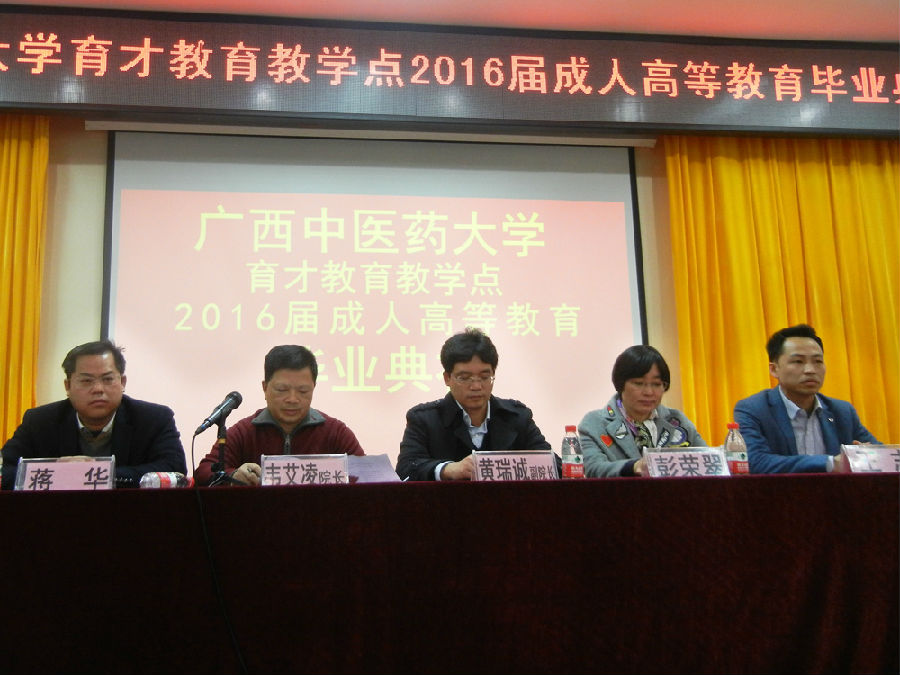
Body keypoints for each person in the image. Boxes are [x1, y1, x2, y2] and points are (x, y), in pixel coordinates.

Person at [1, 339, 187, 489]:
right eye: (86, 381)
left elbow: (175, 470)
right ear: (68, 386)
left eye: (107, 379)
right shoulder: (40, 421)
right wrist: (58, 471)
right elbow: (4, 471)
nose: (98, 389)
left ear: (122, 382)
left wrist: (93, 474)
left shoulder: (154, 419)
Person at [193, 345, 365, 486]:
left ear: (314, 388)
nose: (292, 399)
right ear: (265, 388)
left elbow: (366, 474)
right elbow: (203, 472)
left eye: (303, 391)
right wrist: (233, 475)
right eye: (282, 390)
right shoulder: (244, 432)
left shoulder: (335, 432)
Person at [396, 327, 552, 481]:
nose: (476, 386)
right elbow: (405, 470)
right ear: (447, 378)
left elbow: (553, 465)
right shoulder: (425, 420)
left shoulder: (517, 417)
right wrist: (447, 469)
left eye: (484, 377)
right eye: (465, 378)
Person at [734, 323, 878, 473]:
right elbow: (754, 461)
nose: (810, 370)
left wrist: (869, 454)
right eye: (798, 361)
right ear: (774, 369)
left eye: (818, 361)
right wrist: (830, 463)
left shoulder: (842, 411)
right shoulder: (754, 409)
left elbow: (879, 452)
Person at [579, 345, 706, 477]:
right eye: (639, 383)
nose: (649, 392)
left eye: (656, 384)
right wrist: (634, 467)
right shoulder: (595, 423)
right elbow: (593, 469)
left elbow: (707, 461)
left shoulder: (677, 421)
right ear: (620, 384)